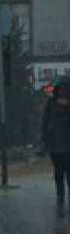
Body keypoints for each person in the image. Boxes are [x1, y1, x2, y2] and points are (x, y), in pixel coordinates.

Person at [42, 76, 70, 205]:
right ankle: (60, 194)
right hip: (55, 144)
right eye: (60, 89)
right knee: (58, 171)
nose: (62, 91)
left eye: (65, 88)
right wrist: (44, 137)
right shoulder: (51, 102)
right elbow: (45, 120)